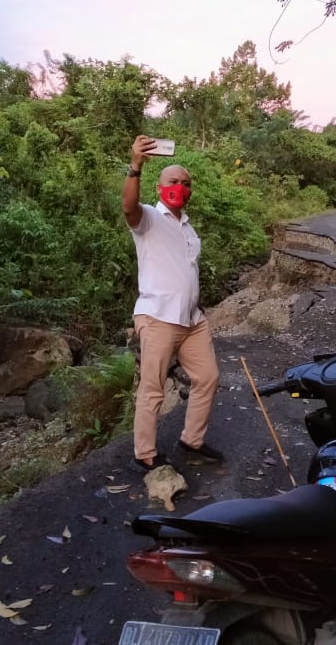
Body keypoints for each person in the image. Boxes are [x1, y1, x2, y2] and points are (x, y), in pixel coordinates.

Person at [122, 135, 224, 471]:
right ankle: (146, 454)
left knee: (207, 377)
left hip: (192, 320)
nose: (179, 187)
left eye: (185, 183)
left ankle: (191, 440)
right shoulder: (149, 218)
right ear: (158, 186)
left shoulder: (188, 228)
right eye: (172, 181)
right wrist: (135, 167)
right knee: (153, 388)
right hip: (159, 318)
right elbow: (128, 207)